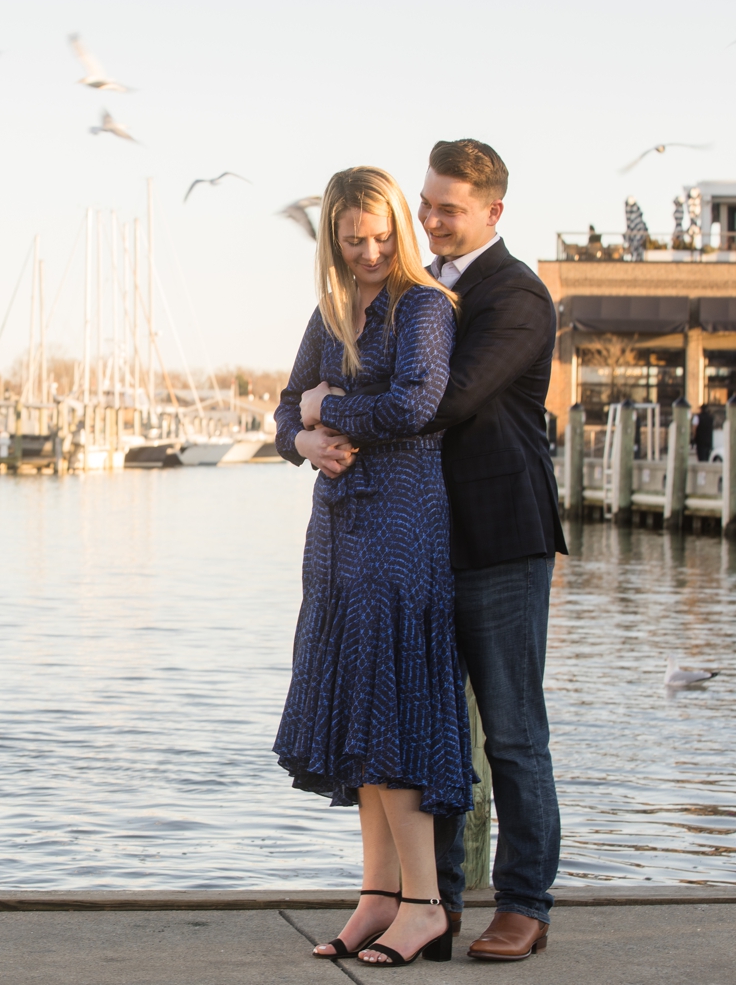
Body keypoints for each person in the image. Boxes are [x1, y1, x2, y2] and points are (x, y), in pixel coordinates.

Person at [321, 140, 567, 962]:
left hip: (500, 540)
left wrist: (330, 408)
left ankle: (525, 903)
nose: (429, 220)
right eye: (425, 203)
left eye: (448, 209)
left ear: (494, 212)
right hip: (421, 543)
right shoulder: (417, 294)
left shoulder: (520, 297)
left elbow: (443, 399)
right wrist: (301, 423)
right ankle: (439, 902)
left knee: (511, 732)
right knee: (433, 732)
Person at [274, 166, 471, 968]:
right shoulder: (330, 312)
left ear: (399, 227)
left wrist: (331, 409)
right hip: (336, 535)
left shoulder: (426, 305)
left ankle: (425, 905)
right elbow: (287, 402)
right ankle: (378, 896)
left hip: (400, 525)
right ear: (333, 236)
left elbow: (416, 405)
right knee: (361, 714)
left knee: (391, 711)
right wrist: (303, 438)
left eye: (381, 236)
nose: (368, 251)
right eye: (353, 239)